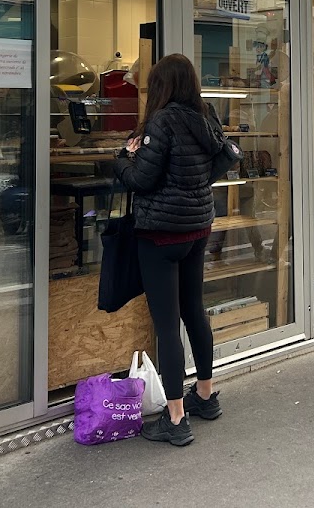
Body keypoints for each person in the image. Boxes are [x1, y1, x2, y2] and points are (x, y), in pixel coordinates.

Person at [115, 54, 230, 445]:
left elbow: (143, 180)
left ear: (163, 86)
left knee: (166, 325)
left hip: (161, 235)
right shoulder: (205, 117)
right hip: (197, 229)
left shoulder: (162, 121)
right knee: (194, 311)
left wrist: (123, 159)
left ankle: (176, 419)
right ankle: (205, 395)